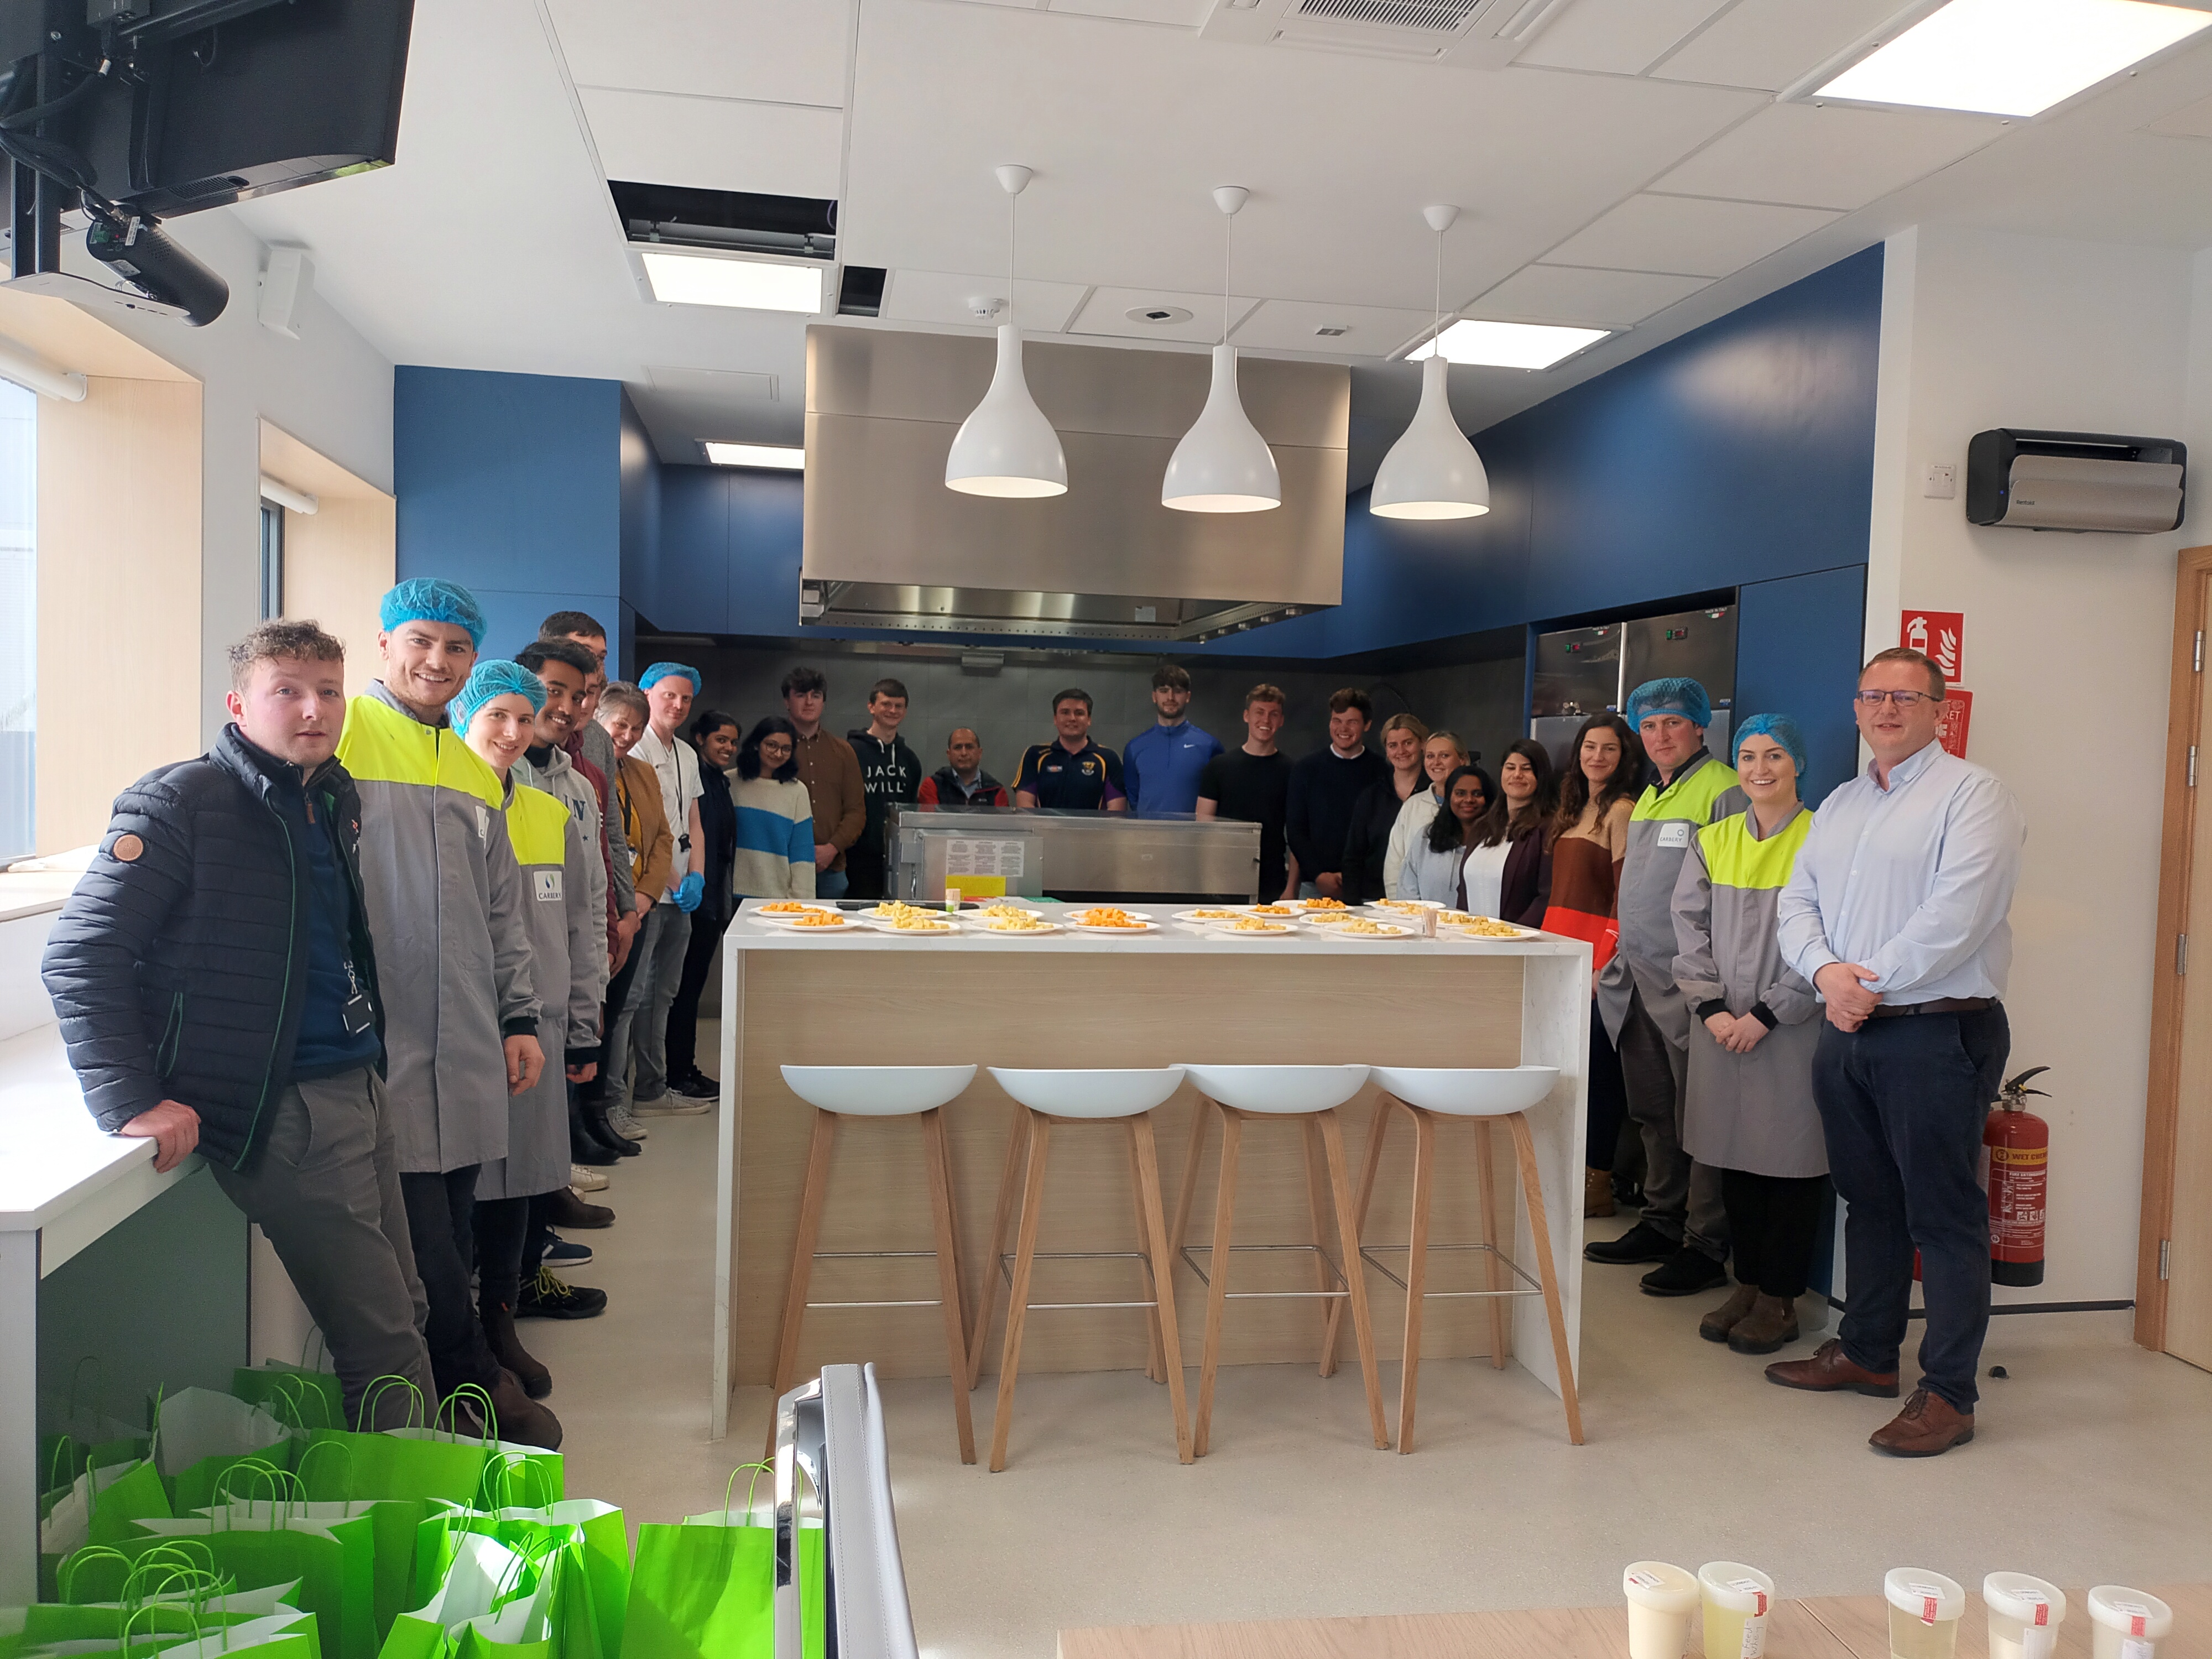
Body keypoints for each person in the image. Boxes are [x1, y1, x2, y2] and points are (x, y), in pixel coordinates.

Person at [42, 620, 437, 1431]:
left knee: (411, 1305)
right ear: (238, 704)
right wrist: (128, 1097)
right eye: (286, 690)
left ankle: (391, 1497)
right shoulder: (183, 802)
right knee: (383, 1342)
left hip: (357, 1079)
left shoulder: (330, 793)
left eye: (328, 690)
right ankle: (433, 1534)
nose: (312, 709)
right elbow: (81, 956)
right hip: (280, 1105)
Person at [1769, 647, 2025, 1458]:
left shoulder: (1973, 796)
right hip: (1849, 1029)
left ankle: (1949, 1393)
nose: (1887, 710)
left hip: (1935, 1029)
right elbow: (1796, 901)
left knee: (1943, 1214)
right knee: (1867, 1199)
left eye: (1906, 698)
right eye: (1874, 696)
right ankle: (1870, 1354)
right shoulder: (1840, 804)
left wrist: (1862, 984)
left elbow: (1959, 916)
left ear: (1938, 709)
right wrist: (1825, 974)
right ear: (1856, 709)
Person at [331, 580, 556, 1446]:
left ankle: (459, 1386)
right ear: (385, 643)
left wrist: (520, 1017)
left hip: (465, 1038)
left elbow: (503, 914)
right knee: (417, 1238)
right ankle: (468, 1388)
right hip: (374, 1038)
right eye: (421, 640)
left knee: (455, 1220)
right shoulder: (342, 736)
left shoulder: (472, 773)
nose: (437, 660)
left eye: (457, 648)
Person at [452, 662, 608, 1391]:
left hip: (535, 1030)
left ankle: (501, 1322)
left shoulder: (550, 815)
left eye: (524, 718)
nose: (513, 733)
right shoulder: (438, 806)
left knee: (517, 1187)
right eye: (496, 719)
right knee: (460, 1189)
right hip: (456, 1027)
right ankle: (456, 1340)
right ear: (464, 720)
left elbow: (579, 922)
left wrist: (582, 1023)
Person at [1587, 677, 1746, 1297]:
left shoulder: (1724, 789)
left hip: (1688, 985)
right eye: (1648, 727)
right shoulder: (1652, 793)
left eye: (1673, 723)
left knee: (1697, 1116)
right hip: (1638, 978)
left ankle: (1704, 1244)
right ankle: (1661, 1219)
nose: (1660, 736)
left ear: (1701, 726)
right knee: (1653, 1110)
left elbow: (1727, 896)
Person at [1671, 715, 1824, 1357]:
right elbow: (1688, 925)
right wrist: (1710, 1007)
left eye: (1775, 756)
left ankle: (1781, 1298)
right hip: (1719, 1024)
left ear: (1798, 765)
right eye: (1749, 756)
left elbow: (1829, 939)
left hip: (1788, 1029)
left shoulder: (1823, 839)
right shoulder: (1714, 838)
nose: (1760, 769)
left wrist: (1767, 1013)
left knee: (1787, 1166)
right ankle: (1748, 1283)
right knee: (1731, 1155)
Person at [510, 639, 622, 1189]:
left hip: (557, 1000)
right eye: (553, 691)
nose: (565, 706)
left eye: (577, 696)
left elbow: (587, 905)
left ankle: (544, 1236)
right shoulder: (485, 779)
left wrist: (584, 1024)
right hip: (500, 1005)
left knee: (542, 1149)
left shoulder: (580, 786)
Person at [1541, 714, 1642, 1223]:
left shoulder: (1622, 810)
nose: (1597, 757)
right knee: (1568, 1071)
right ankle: (1568, 1169)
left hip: (1596, 964)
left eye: (1609, 749)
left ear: (1625, 757)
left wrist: (1606, 963)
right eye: (1589, 747)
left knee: (1600, 1076)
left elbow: (1627, 898)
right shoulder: (1574, 808)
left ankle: (1596, 1182)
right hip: (1559, 955)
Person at [592, 683, 674, 1152]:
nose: (626, 734)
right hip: (601, 913)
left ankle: (613, 1104)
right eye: (619, 723)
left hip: (636, 909)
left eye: (635, 727)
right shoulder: (585, 770)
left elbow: (662, 838)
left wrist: (641, 900)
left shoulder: (642, 773)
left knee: (627, 1004)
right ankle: (594, 1107)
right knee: (595, 1014)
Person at [628, 664, 707, 1118]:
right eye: (669, 695)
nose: (677, 705)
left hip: (682, 894)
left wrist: (695, 875)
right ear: (647, 693)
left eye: (686, 699)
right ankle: (621, 1094)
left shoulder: (686, 754)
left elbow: (691, 821)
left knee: (665, 993)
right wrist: (673, 880)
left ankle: (653, 1088)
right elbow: (648, 829)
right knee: (634, 994)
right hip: (648, 892)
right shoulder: (635, 748)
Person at [536, 612, 633, 972]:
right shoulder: (513, 746)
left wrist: (626, 912)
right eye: (582, 651)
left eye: (601, 656)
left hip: (591, 914)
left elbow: (609, 835)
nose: (593, 663)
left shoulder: (597, 742)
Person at [663, 709, 742, 1103]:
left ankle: (685, 1068)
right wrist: (690, 886)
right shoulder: (700, 782)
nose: (728, 747)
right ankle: (676, 1074)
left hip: (710, 900)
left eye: (732, 741)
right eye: (720, 740)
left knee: (689, 992)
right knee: (682, 992)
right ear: (700, 739)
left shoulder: (719, 782)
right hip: (691, 900)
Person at [1285, 688, 1390, 899]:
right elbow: (1296, 830)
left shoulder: (1383, 770)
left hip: (1368, 888)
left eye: (1352, 722)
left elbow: (1385, 834)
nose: (1343, 728)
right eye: (1337, 720)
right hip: (1315, 886)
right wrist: (1318, 875)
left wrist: (1355, 876)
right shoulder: (1306, 769)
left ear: (1367, 725)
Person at [1197, 684, 1296, 902]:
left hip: (1272, 881)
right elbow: (1203, 828)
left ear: (1281, 721)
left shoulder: (1292, 772)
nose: (1266, 721)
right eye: (1259, 713)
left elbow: (1298, 834)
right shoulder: (1219, 767)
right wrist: (1206, 879)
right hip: (1224, 878)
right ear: (1246, 716)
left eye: (1273, 715)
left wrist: (1291, 889)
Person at [782, 666, 865, 900]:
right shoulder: (773, 749)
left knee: (830, 932)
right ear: (787, 702)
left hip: (831, 868)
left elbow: (856, 811)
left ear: (824, 703)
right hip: (783, 867)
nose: (809, 702)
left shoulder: (843, 751)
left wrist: (832, 849)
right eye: (800, 695)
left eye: (816, 696)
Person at [1340, 713, 1428, 905]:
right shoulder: (1371, 796)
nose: (1401, 751)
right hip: (1373, 900)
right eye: (1393, 745)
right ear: (1386, 750)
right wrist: (1352, 906)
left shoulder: (1437, 793)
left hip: (1426, 902)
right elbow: (1353, 856)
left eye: (1408, 743)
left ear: (1422, 744)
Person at [847, 678, 921, 899]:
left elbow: (911, 810)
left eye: (899, 706)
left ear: (905, 711)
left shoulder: (910, 760)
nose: (893, 710)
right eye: (886, 704)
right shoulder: (851, 752)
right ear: (871, 707)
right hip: (857, 857)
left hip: (898, 858)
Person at [732, 717, 819, 901]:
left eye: (786, 749)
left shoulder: (797, 791)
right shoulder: (730, 783)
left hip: (777, 899)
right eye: (771, 745)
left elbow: (802, 853)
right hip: (730, 895)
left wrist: (801, 902)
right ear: (756, 744)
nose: (778, 754)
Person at [1468, 740, 1553, 923]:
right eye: (1510, 767)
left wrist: (1514, 938)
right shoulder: (1483, 826)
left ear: (1541, 775)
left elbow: (1546, 896)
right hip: (1470, 940)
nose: (1517, 775)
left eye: (1526, 769)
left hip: (1517, 943)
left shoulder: (1548, 829)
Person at [1386, 731, 1475, 902]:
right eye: (1430, 756)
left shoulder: (1476, 806)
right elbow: (1395, 863)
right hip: (1416, 911)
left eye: (1444, 756)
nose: (1436, 763)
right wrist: (1399, 908)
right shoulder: (1413, 805)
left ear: (1462, 759)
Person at [1123, 664, 1222, 815]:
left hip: (1193, 836)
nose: (1170, 698)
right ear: (1154, 696)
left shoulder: (1210, 746)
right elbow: (1133, 798)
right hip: (1148, 836)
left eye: (1178, 691)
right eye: (1164, 691)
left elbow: (1217, 797)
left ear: (1188, 696)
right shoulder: (1134, 748)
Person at [1015, 689, 1128, 811]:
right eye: (1065, 713)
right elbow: (1025, 807)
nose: (1072, 718)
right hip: (1045, 829)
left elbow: (1116, 812)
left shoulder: (1108, 758)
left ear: (1089, 719)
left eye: (1079, 713)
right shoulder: (1035, 755)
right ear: (1055, 719)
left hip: (1093, 830)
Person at [1399, 763, 1490, 904]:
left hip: (1479, 925)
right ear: (1449, 797)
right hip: (1427, 923)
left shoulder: (1499, 839)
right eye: (1460, 793)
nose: (1469, 800)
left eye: (1477, 794)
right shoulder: (1426, 836)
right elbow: (1408, 890)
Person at [918, 728, 1010, 807]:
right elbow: (930, 825)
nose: (964, 753)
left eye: (969, 747)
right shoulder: (932, 786)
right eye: (958, 748)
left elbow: (1000, 827)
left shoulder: (996, 791)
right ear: (949, 754)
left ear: (980, 753)